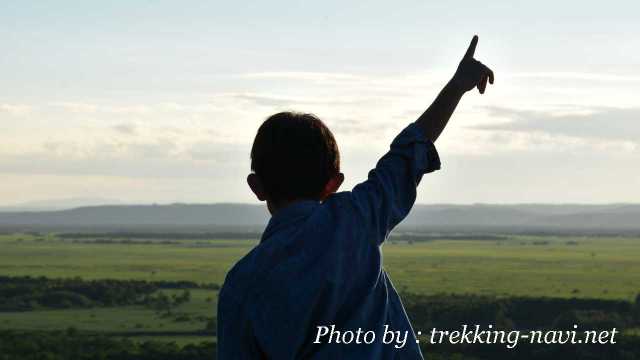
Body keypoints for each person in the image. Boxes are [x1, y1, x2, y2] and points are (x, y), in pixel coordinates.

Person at [218, 35, 494, 359]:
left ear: (256, 186)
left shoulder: (242, 283)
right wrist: (457, 85)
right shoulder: (355, 220)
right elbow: (408, 154)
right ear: (333, 183)